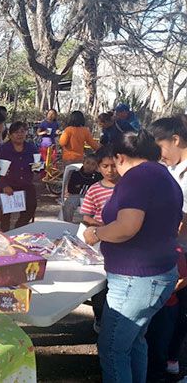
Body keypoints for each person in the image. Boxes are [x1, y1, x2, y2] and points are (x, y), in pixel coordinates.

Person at [83, 131, 181, 383]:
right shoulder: (163, 175)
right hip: (153, 274)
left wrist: (96, 233)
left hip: (136, 279)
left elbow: (127, 227)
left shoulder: (137, 177)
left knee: (113, 348)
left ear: (120, 157)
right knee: (134, 341)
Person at [149, 115, 187, 375]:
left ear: (175, 140)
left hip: (181, 250)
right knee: (170, 311)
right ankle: (165, 359)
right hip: (174, 250)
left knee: (180, 310)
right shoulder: (172, 169)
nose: (159, 156)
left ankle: (171, 360)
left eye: (160, 148)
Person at [145, 249, 187, 382]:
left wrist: (165, 293)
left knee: (158, 346)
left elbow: (184, 279)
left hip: (165, 307)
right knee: (148, 343)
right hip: (148, 304)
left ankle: (157, 375)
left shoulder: (173, 251)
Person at [0, 121, 39, 231]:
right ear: (10, 135)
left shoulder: (31, 148)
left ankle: (19, 229)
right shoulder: (2, 149)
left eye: (22, 131)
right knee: (4, 215)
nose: (20, 135)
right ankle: (5, 233)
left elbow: (39, 165)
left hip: (26, 185)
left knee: (31, 206)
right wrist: (3, 185)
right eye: (16, 132)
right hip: (8, 185)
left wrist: (38, 167)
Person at [80, 146, 119, 227]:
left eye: (114, 166)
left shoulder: (129, 187)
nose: (110, 170)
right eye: (105, 166)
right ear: (98, 167)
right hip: (100, 234)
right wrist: (105, 228)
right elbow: (87, 218)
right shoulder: (94, 190)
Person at [61, 154, 101, 222]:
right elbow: (71, 189)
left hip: (92, 197)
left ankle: (89, 224)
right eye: (87, 163)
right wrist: (85, 188)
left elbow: (98, 189)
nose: (89, 166)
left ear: (96, 166)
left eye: (93, 164)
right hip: (77, 196)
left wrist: (81, 187)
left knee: (95, 207)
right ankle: (67, 222)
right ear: (83, 162)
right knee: (69, 204)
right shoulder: (76, 174)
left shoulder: (98, 176)